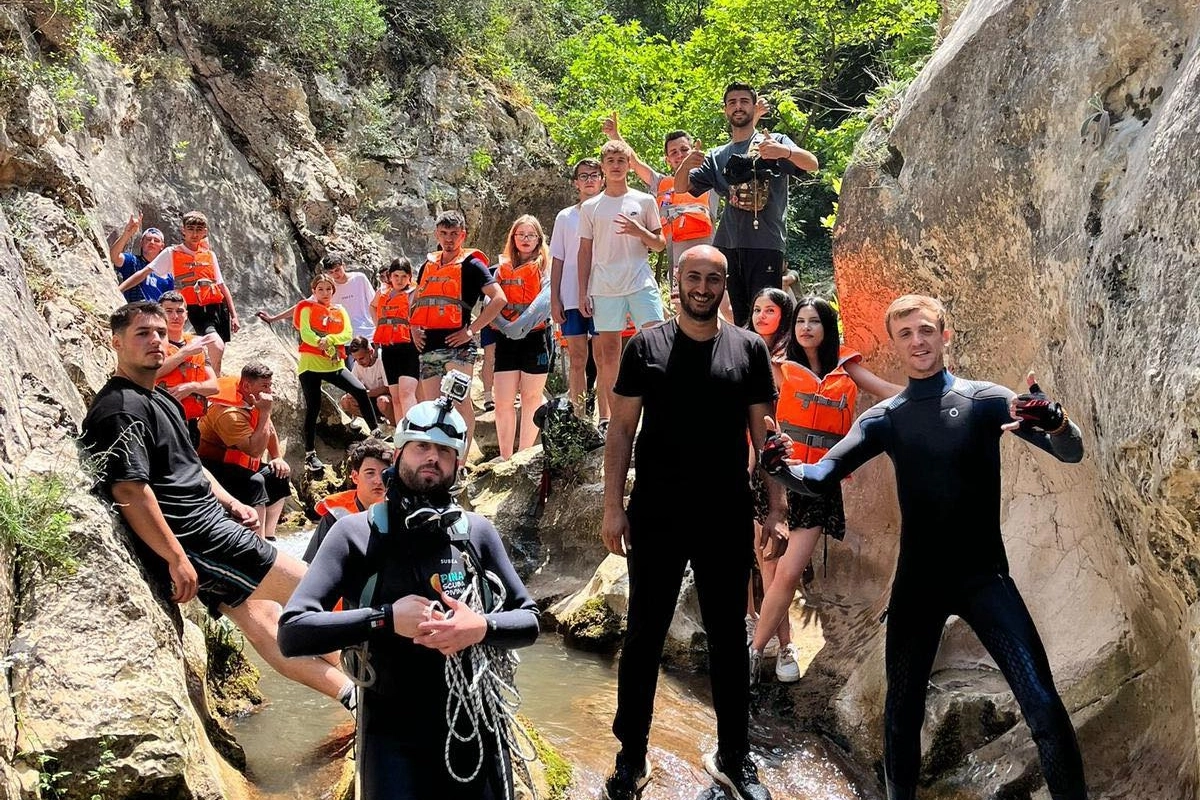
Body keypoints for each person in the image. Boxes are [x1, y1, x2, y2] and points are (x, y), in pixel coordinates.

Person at [760, 294, 1088, 800]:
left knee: (1043, 704)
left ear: (945, 335)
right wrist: (779, 466)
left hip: (985, 579)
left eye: (926, 330)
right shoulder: (886, 418)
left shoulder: (985, 400)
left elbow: (1070, 452)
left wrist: (1058, 421)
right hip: (919, 585)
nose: (918, 342)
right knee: (901, 714)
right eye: (906, 334)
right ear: (895, 344)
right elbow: (819, 476)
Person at [82, 302, 353, 708]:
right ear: (116, 342)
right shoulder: (119, 408)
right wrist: (176, 558)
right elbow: (130, 491)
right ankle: (386, 690)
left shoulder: (163, 399)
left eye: (160, 333)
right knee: (316, 588)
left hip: (210, 522)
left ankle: (353, 696)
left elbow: (191, 465)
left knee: (264, 621)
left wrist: (230, 501)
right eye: (142, 333)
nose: (156, 340)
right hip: (196, 536)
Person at [278, 383, 540, 800]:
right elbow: (293, 631)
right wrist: (384, 619)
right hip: (390, 729)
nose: (433, 457)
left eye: (445, 451)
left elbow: (529, 620)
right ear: (398, 453)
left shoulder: (475, 533)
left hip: (473, 724)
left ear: (457, 465)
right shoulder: (355, 534)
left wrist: (480, 627)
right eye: (421, 447)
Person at [601, 246, 782, 800]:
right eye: (694, 277)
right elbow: (621, 430)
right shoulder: (644, 346)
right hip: (656, 511)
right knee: (644, 635)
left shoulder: (748, 349)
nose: (703, 288)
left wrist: (775, 509)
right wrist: (613, 506)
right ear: (677, 281)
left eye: (713, 279)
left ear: (725, 285)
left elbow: (766, 436)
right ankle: (631, 756)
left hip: (725, 512)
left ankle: (734, 757)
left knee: (728, 636)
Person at [747, 295, 901, 684]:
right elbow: (750, 412)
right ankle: (775, 648)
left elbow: (887, 390)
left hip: (817, 481)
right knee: (771, 567)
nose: (805, 328)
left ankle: (757, 650)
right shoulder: (778, 366)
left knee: (789, 570)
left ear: (827, 327)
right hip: (775, 480)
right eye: (800, 321)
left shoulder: (845, 367)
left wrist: (938, 392)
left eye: (814, 321)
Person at [678, 83, 819, 328]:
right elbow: (681, 187)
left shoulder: (774, 142)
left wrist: (783, 152)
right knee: (740, 316)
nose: (738, 107)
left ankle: (769, 353)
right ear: (725, 110)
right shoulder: (717, 155)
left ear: (754, 107)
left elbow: (812, 163)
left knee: (767, 315)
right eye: (732, 102)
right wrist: (685, 165)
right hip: (728, 245)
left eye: (744, 101)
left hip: (766, 242)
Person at [577, 140, 666, 436]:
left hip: (640, 282)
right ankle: (618, 422)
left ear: (629, 164)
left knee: (656, 343)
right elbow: (584, 252)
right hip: (604, 286)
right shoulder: (590, 207)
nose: (616, 165)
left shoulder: (644, 200)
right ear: (603, 167)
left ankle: (658, 411)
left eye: (621, 160)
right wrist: (582, 292)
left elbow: (659, 244)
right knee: (608, 354)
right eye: (610, 160)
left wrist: (639, 231)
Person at [410, 210, 507, 454]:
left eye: (454, 234)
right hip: (429, 345)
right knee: (431, 406)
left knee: (460, 404)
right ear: (437, 234)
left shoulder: (473, 265)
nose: (449, 239)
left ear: (463, 235)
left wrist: (471, 330)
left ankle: (461, 461)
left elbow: (499, 298)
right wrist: (413, 329)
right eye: (444, 233)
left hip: (459, 347)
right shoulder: (428, 265)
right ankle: (438, 457)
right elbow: (416, 299)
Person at [601, 114, 720, 269]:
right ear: (667, 160)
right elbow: (635, 164)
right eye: (674, 152)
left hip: (708, 254)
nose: (680, 155)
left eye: (684, 149)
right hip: (677, 260)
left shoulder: (709, 177)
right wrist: (614, 135)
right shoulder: (661, 183)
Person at [196, 362, 292, 541]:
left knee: (278, 475)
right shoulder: (229, 414)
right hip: (211, 466)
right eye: (265, 386)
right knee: (255, 482)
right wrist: (265, 413)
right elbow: (254, 450)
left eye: (270, 385)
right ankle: (258, 543)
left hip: (237, 463)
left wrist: (277, 457)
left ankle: (269, 537)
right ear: (247, 386)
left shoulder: (253, 400)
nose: (269, 391)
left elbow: (268, 428)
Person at [297, 273, 381, 471]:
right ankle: (310, 454)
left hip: (334, 365)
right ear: (314, 291)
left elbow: (347, 333)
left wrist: (330, 340)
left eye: (328, 289)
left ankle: (376, 432)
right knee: (313, 407)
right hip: (310, 366)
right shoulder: (306, 308)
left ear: (333, 291)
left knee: (359, 390)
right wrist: (320, 342)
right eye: (320, 289)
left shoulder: (340, 310)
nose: (325, 293)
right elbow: (306, 333)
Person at [145, 210, 239, 373]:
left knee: (219, 347)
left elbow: (221, 285)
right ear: (183, 230)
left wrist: (234, 315)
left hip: (216, 307)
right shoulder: (173, 252)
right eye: (191, 229)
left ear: (205, 232)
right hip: (191, 306)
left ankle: (212, 377)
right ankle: (211, 378)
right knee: (213, 344)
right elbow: (145, 272)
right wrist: (120, 289)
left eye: (199, 230)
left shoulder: (209, 255)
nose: (195, 234)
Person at [490, 215, 552, 460]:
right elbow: (489, 300)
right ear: (513, 238)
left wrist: (520, 326)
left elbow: (544, 301)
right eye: (521, 235)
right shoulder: (500, 269)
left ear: (538, 239)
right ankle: (505, 457)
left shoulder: (545, 267)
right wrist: (506, 326)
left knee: (531, 397)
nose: (526, 239)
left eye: (531, 235)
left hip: (535, 337)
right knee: (503, 400)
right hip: (506, 338)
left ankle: (523, 455)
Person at [549, 158, 606, 421]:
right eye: (584, 176)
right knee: (577, 359)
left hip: (604, 293)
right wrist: (554, 300)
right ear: (576, 183)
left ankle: (605, 419)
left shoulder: (609, 211)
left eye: (594, 175)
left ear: (603, 180)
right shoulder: (565, 217)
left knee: (604, 358)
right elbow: (557, 259)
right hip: (571, 295)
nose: (590, 180)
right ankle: (579, 418)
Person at [302, 437, 393, 564]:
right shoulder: (335, 514)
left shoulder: (402, 512)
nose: (378, 480)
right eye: (370, 473)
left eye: (384, 473)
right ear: (355, 477)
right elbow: (311, 565)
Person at [154, 290, 220, 447]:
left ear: (186, 314)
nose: (175, 316)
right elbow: (149, 373)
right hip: (160, 418)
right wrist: (184, 353)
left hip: (189, 423)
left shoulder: (197, 344)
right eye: (168, 311)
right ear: (159, 314)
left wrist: (191, 387)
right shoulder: (152, 341)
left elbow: (214, 386)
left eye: (179, 311)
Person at [371, 258, 421, 420]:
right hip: (388, 349)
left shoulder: (413, 293)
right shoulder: (382, 292)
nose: (400, 280)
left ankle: (412, 429)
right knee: (396, 397)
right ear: (390, 276)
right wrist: (379, 325)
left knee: (406, 393)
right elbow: (372, 306)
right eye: (396, 276)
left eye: (404, 276)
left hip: (409, 348)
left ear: (409, 277)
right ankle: (401, 433)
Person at [109, 215, 172, 302]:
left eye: (156, 240)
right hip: (133, 308)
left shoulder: (167, 273)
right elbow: (114, 257)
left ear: (162, 246)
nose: (152, 242)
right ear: (141, 243)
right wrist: (127, 234)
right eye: (148, 239)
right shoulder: (133, 261)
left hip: (157, 309)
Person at [344, 337, 396, 426]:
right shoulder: (358, 364)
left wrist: (366, 393)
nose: (359, 362)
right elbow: (352, 384)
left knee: (383, 401)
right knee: (346, 401)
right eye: (355, 359)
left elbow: (388, 388)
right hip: (370, 399)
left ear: (371, 352)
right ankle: (373, 423)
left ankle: (393, 426)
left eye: (361, 358)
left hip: (386, 398)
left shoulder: (382, 360)